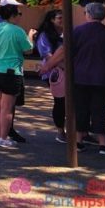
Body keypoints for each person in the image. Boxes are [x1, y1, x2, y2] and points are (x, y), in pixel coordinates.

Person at [43, 2, 105, 155]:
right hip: (102, 78)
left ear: (88, 14)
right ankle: (103, 143)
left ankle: (78, 141)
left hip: (80, 77)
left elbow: (62, 51)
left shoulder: (77, 31)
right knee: (100, 110)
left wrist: (48, 65)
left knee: (79, 108)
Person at [0, 0, 32, 150]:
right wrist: (31, 36)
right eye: (19, 14)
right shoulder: (18, 31)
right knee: (7, 108)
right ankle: (3, 138)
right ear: (14, 15)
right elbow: (28, 49)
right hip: (10, 71)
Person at [34, 9, 65, 143]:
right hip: (54, 72)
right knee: (60, 101)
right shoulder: (44, 35)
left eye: (63, 17)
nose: (62, 20)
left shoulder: (67, 32)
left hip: (69, 70)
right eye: (59, 18)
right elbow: (47, 55)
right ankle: (60, 131)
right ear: (52, 20)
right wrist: (63, 66)